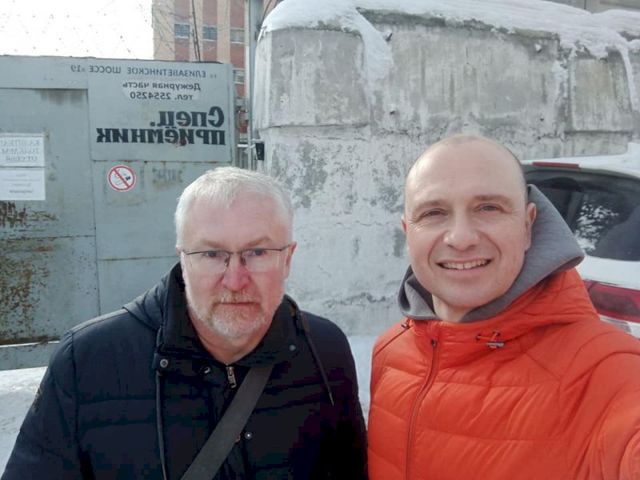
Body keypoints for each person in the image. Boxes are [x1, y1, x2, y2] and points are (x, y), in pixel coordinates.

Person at [2, 167, 367, 479]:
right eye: (211, 254)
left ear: (287, 259)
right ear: (183, 259)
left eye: (257, 252)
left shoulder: (324, 350)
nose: (235, 280)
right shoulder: (88, 360)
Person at [367, 134, 640, 479]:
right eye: (433, 213)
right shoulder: (390, 352)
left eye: (489, 208)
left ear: (527, 226)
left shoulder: (605, 371)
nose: (461, 238)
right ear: (408, 233)